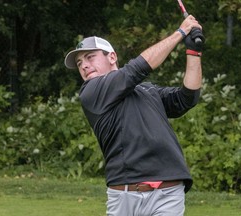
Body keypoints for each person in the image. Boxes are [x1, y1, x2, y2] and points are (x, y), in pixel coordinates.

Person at [64, 15, 204, 216]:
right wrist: (180, 33)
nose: (84, 65)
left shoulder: (147, 91)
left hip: (168, 192)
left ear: (112, 57)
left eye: (90, 57)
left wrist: (193, 52)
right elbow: (137, 69)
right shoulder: (91, 92)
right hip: (125, 196)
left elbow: (186, 98)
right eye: (79, 63)